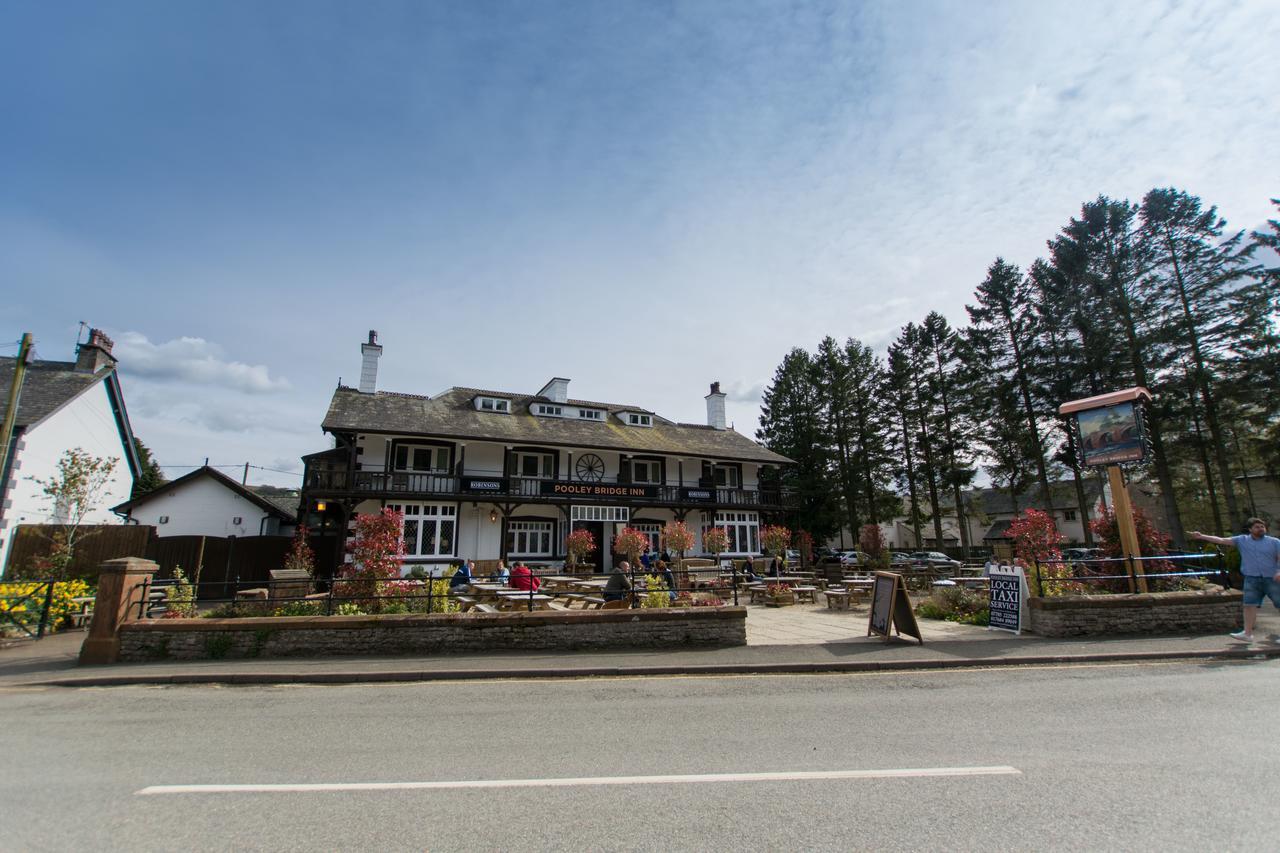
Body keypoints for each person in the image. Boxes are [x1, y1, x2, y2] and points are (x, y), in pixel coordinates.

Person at [1190, 518, 1280, 643]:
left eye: (1262, 527)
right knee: (1249, 605)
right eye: (1257, 527)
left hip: (1271, 578)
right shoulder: (1242, 540)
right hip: (1251, 578)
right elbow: (1221, 540)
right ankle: (1247, 634)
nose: (1261, 529)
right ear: (1250, 530)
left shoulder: (1274, 542)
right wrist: (1202, 536)